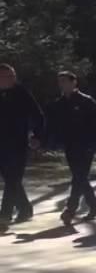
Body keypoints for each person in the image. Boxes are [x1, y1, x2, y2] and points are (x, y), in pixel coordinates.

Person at [45, 71, 96, 224]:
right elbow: (54, 126)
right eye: (60, 82)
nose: (62, 85)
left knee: (79, 177)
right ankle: (94, 206)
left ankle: (70, 209)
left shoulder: (86, 101)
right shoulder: (59, 104)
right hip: (70, 146)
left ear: (74, 82)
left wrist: (94, 144)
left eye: (65, 81)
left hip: (86, 146)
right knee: (80, 177)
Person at [0, 64, 44, 229]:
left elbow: (38, 115)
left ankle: (4, 216)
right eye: (6, 76)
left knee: (13, 179)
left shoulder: (21, 93)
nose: (11, 79)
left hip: (18, 143)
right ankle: (25, 208)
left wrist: (37, 136)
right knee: (12, 180)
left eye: (12, 76)